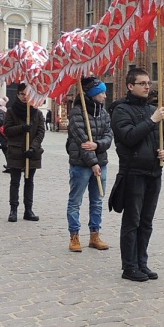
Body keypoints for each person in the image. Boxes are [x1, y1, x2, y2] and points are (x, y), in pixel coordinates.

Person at [108, 67, 164, 282]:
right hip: (133, 172)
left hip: (154, 172)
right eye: (142, 83)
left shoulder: (153, 109)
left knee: (147, 221)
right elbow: (128, 136)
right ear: (130, 86)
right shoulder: (120, 110)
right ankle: (129, 266)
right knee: (132, 221)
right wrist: (151, 120)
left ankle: (142, 262)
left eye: (148, 83)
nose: (147, 87)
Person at [66, 77, 114, 253]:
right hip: (81, 164)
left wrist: (98, 145)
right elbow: (82, 142)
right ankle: (74, 235)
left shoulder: (103, 113)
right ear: (93, 94)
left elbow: (109, 136)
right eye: (101, 92)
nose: (104, 95)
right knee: (75, 201)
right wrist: (93, 162)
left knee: (97, 200)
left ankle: (95, 234)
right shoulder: (77, 113)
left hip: (101, 162)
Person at [4, 83, 45, 222]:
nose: (24, 97)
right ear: (17, 95)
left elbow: (40, 132)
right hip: (16, 150)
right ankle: (13, 209)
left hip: (31, 152)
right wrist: (22, 128)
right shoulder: (11, 111)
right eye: (22, 94)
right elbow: (7, 130)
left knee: (29, 181)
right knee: (15, 181)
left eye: (27, 94)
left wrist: (33, 148)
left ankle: (28, 209)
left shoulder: (37, 112)